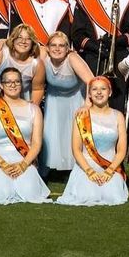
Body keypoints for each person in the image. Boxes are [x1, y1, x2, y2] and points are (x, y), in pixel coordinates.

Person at [0, 66, 51, 204]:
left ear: (21, 84)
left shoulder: (34, 109)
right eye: (8, 82)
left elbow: (36, 143)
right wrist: (3, 164)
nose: (13, 85)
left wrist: (24, 165)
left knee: (30, 192)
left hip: (23, 159)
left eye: (17, 81)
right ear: (1, 85)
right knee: (2, 193)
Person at [57, 76, 128, 206]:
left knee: (113, 196)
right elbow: (76, 149)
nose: (99, 92)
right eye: (94, 89)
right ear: (89, 94)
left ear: (110, 92)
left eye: (103, 89)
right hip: (86, 167)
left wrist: (110, 171)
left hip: (110, 167)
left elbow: (122, 149)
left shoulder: (118, 116)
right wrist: (89, 171)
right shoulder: (81, 116)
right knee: (87, 196)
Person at [41, 31, 94, 173]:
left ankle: (78, 167)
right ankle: (48, 169)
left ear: (67, 48)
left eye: (61, 45)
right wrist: (1, 41)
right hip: (54, 98)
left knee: (73, 134)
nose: (57, 49)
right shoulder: (43, 55)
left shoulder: (73, 58)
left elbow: (91, 80)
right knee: (50, 133)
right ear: (47, 48)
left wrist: (87, 104)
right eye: (53, 45)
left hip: (76, 98)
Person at [0, 24, 46, 103]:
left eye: (28, 39)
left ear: (32, 43)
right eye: (19, 37)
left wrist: (33, 107)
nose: (23, 41)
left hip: (23, 102)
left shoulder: (37, 64)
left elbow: (38, 89)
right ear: (13, 39)